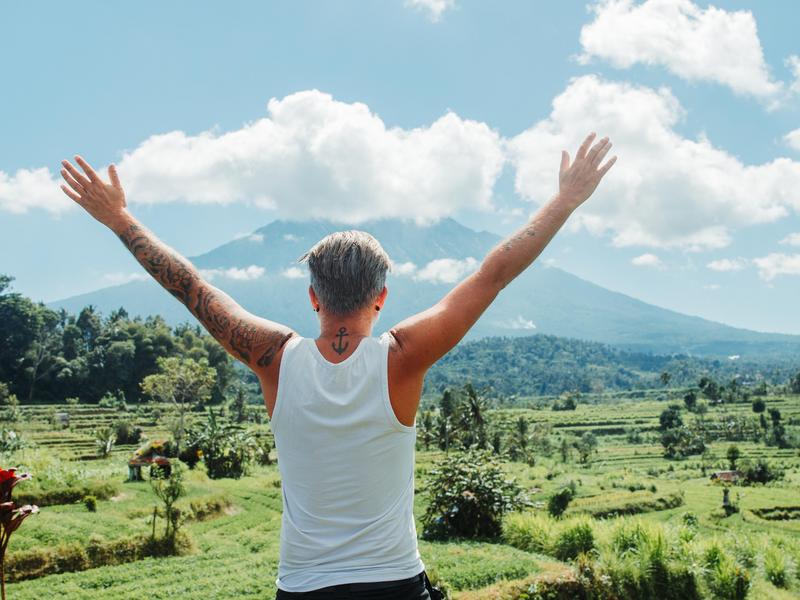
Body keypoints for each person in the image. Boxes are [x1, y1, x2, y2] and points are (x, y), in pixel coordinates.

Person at [59, 132, 615, 599]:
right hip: (394, 582)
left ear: (312, 299)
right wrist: (565, 199)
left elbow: (191, 287)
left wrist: (119, 218)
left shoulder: (274, 358)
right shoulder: (401, 359)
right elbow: (493, 273)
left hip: (303, 586)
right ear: (381, 297)